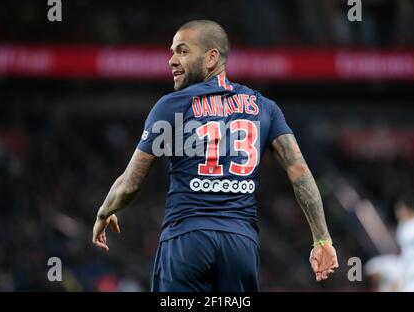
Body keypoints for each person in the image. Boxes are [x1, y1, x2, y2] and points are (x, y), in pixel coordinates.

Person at [92, 20, 338, 291]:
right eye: (172, 52)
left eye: (183, 51)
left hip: (187, 240)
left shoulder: (172, 105)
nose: (172, 60)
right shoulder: (265, 108)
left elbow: (131, 183)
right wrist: (322, 239)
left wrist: (106, 209)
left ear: (211, 57)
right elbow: (299, 172)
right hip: (240, 245)